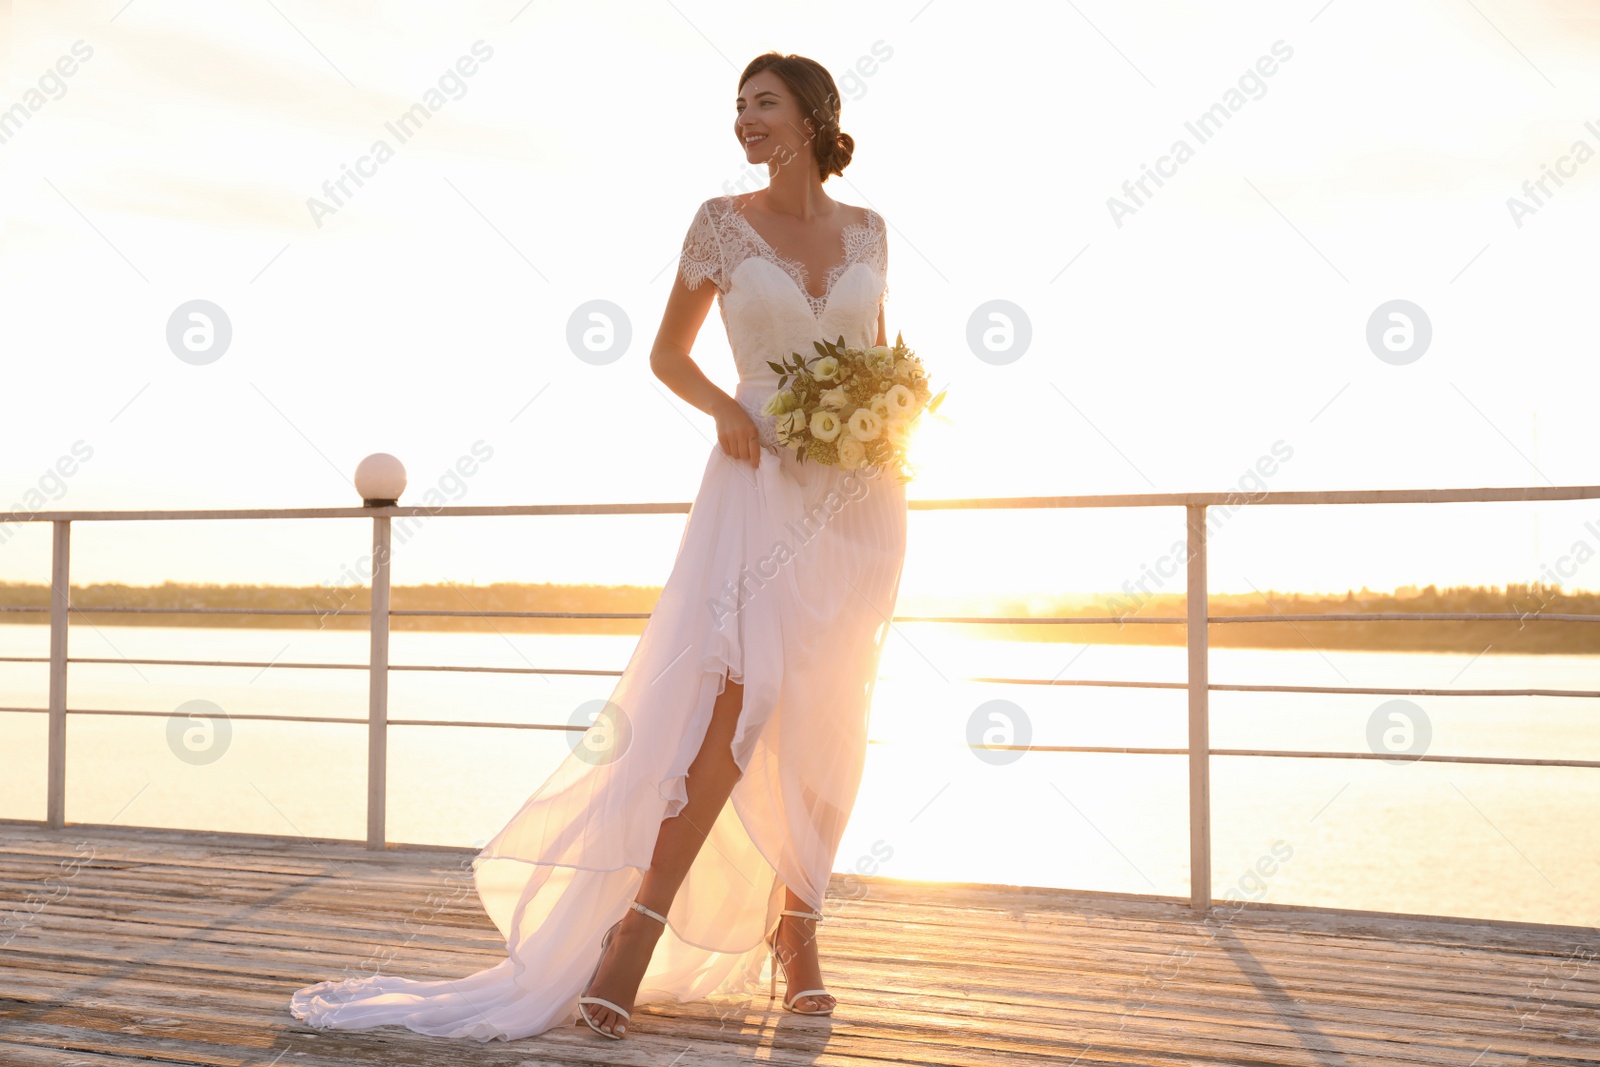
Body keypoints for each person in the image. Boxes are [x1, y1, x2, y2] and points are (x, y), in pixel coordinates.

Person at [289, 49, 907, 1043]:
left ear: (814, 115)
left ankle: (798, 931)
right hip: (756, 482)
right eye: (738, 105)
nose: (745, 119)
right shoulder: (719, 222)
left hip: (860, 496)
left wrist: (887, 424)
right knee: (737, 703)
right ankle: (634, 927)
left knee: (834, 709)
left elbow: (882, 355)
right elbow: (666, 353)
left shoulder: (871, 228)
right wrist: (725, 412)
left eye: (764, 104)